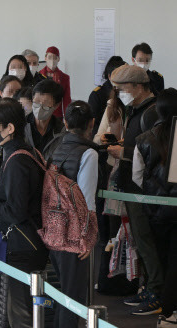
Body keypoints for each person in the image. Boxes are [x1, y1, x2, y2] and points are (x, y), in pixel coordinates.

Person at [0, 98, 48, 328]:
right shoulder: (23, 152)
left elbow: (15, 212)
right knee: (14, 309)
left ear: (9, 128)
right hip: (25, 242)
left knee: (20, 313)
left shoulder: (17, 160)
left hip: (22, 246)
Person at [108, 65, 162, 315]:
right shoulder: (137, 109)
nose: (119, 93)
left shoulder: (152, 112)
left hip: (144, 189)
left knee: (146, 240)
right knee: (139, 240)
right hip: (132, 184)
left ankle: (156, 292)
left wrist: (124, 152)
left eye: (123, 89)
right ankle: (148, 287)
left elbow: (157, 152)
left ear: (139, 87)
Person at [44, 101, 99, 328]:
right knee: (73, 295)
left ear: (65, 122)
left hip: (51, 227)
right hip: (74, 233)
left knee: (60, 289)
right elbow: (86, 200)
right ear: (92, 124)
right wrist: (87, 237)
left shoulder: (54, 145)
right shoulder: (89, 153)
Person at [133, 89, 177, 326]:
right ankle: (170, 309)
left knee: (160, 257)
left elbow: (137, 177)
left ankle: (162, 304)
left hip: (155, 209)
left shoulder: (143, 139)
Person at [89, 56, 127, 138]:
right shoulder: (97, 94)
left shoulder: (126, 94)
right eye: (118, 75)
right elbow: (93, 124)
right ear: (109, 76)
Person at [25, 79, 65, 154]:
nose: (40, 108)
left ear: (56, 105)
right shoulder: (21, 125)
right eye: (36, 101)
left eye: (46, 103)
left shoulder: (61, 130)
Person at [39, 46, 71, 120]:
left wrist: (67, 118)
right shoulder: (39, 75)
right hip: (41, 113)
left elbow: (67, 100)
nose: (52, 60)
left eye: (55, 57)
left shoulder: (64, 77)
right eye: (50, 57)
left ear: (58, 59)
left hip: (57, 114)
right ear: (45, 58)